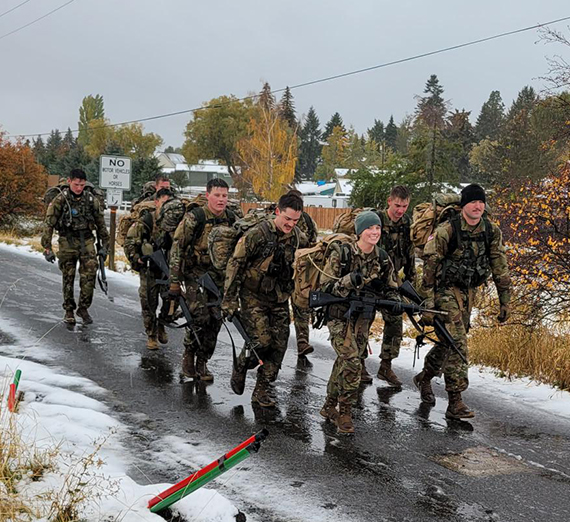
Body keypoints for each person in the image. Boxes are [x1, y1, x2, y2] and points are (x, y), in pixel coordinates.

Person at [414, 184, 511, 419]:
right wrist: (427, 303)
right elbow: (429, 267)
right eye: (472, 202)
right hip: (444, 290)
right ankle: (455, 401)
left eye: (481, 202)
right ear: (463, 205)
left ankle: (425, 377)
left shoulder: (490, 231)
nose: (477, 206)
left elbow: (500, 266)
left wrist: (505, 301)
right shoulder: (448, 230)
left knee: (449, 342)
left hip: (468, 292)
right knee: (457, 341)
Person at [221, 192, 307, 408]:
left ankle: (262, 389)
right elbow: (235, 264)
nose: (290, 224)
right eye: (287, 219)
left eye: (295, 220)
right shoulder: (258, 234)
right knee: (261, 342)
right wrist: (229, 299)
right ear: (278, 211)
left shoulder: (298, 237)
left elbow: (308, 262)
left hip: (279, 298)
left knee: (279, 347)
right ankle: (241, 364)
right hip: (253, 296)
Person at [319, 211, 399, 434]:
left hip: (363, 319)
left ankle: (328, 406)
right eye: (369, 228)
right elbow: (324, 286)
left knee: (345, 362)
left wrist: (395, 302)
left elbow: (391, 287)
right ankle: (344, 412)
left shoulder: (382, 258)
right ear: (359, 232)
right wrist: (347, 281)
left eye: (377, 228)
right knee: (353, 362)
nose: (374, 232)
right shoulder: (341, 253)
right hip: (339, 316)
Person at [169, 179, 237, 381]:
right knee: (199, 316)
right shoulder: (195, 217)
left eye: (225, 196)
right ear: (208, 195)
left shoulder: (232, 219)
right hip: (195, 274)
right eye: (217, 195)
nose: (221, 200)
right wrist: (174, 281)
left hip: (219, 277)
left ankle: (203, 361)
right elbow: (178, 248)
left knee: (216, 319)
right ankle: (189, 355)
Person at [41, 169, 110, 325]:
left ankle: (83, 308)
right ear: (69, 181)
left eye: (82, 185)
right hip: (67, 241)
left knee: (89, 276)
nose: (79, 188)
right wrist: (47, 248)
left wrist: (105, 246)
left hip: (86, 241)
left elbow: (101, 225)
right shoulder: (60, 200)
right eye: (76, 184)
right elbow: (48, 224)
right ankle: (69, 310)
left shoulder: (91, 200)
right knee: (68, 277)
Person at [124, 188, 184, 349]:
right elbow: (130, 242)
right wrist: (137, 259)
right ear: (156, 202)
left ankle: (162, 323)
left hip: (168, 270)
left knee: (171, 302)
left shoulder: (175, 223)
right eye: (163, 203)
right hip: (149, 269)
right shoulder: (147, 221)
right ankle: (151, 335)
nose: (166, 207)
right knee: (148, 303)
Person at [373, 185, 416, 387]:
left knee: (395, 319)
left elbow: (409, 253)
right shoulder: (376, 221)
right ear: (389, 201)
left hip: (392, 282)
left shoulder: (407, 223)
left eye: (405, 206)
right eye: (397, 205)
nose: (400, 210)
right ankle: (358, 366)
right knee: (361, 323)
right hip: (370, 280)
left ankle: (386, 366)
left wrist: (410, 281)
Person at [287, 189, 319, 358]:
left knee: (301, 306)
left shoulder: (307, 220)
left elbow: (314, 247)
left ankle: (302, 341)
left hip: (300, 270)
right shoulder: (278, 217)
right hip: (280, 269)